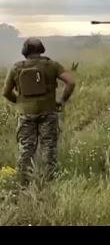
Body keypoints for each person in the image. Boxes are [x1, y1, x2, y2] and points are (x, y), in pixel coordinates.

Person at [2, 38, 75, 185]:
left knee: (26, 147)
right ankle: (49, 179)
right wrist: (62, 100)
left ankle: (24, 180)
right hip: (48, 111)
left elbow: (6, 92)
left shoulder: (17, 68)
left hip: (26, 114)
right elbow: (71, 82)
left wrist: (20, 102)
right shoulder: (52, 65)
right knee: (49, 146)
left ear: (25, 51)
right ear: (41, 49)